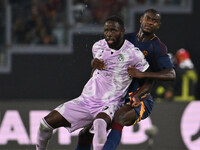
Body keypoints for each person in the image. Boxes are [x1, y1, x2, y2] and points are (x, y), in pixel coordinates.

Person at [36, 15, 149, 150]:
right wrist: (93, 64)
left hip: (109, 103)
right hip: (85, 100)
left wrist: (137, 95)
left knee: (100, 124)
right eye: (106, 30)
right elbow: (98, 71)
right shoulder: (98, 46)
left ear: (122, 31)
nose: (109, 34)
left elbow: (148, 78)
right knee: (45, 123)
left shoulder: (133, 54)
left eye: (113, 30)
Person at [75, 9, 176, 150]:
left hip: (140, 97)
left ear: (158, 25)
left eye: (154, 21)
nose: (150, 22)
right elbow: (102, 59)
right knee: (86, 133)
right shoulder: (126, 39)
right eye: (148, 18)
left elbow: (171, 74)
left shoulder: (157, 47)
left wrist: (143, 75)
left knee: (119, 117)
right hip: (116, 96)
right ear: (141, 19)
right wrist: (95, 64)